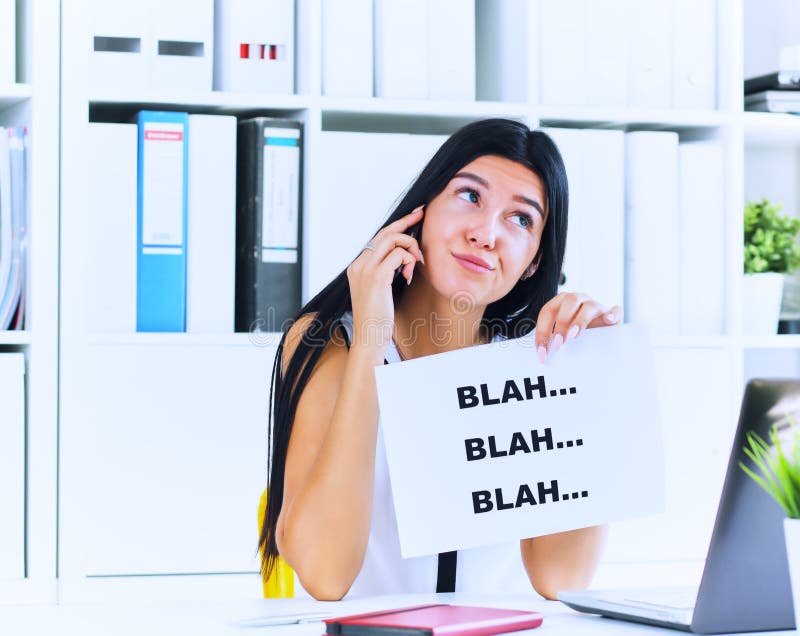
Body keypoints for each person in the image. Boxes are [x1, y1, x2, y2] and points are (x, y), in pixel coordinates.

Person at [257, 118, 622, 601]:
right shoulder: (327, 344)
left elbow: (560, 580)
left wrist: (587, 385)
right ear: (422, 210)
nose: (486, 233)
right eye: (470, 196)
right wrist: (371, 337)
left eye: (521, 219)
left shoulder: (537, 362)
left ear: (535, 260)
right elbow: (325, 575)